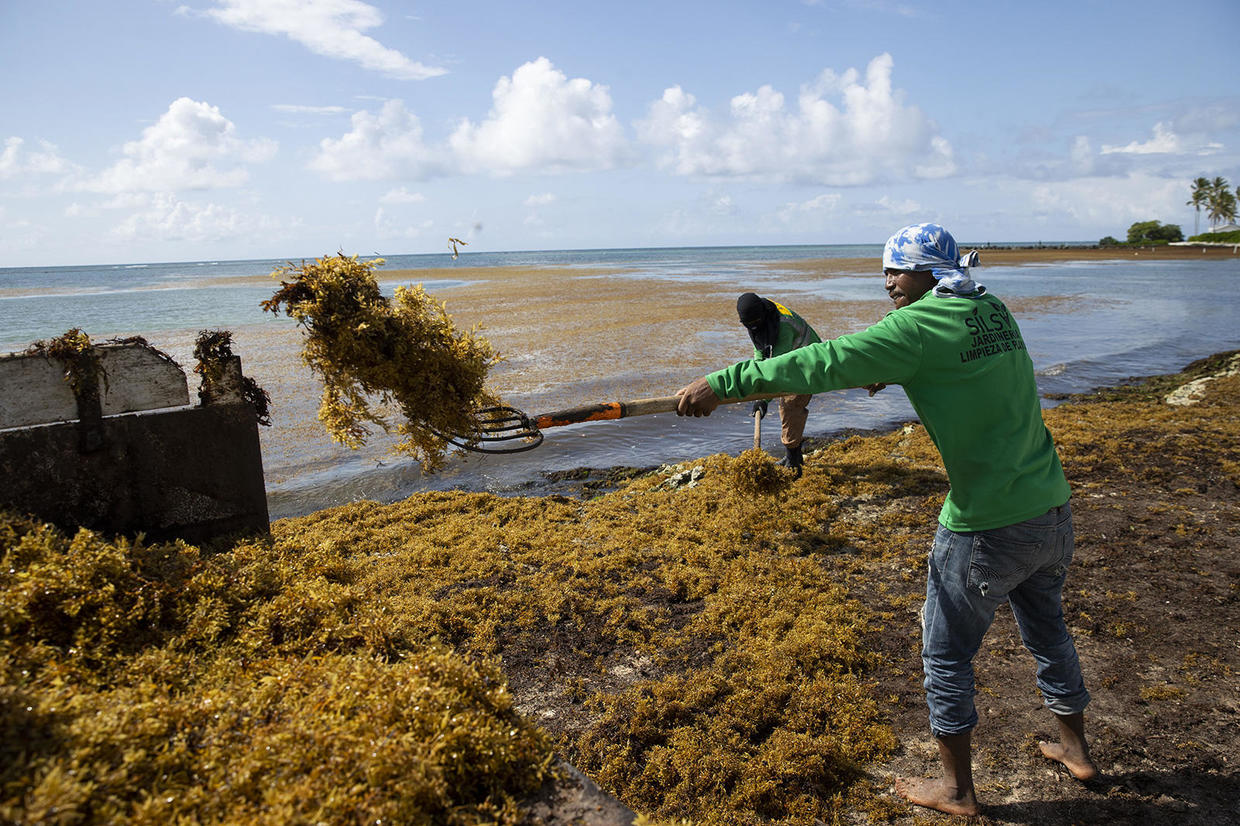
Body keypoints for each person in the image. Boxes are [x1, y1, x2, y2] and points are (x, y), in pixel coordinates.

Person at [676, 224, 1096, 816]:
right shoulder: (990, 308)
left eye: (897, 271)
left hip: (984, 524)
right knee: (1048, 630)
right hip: (1051, 508)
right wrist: (894, 367)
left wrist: (722, 384)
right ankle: (1077, 749)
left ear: (928, 271)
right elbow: (955, 366)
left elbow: (825, 360)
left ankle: (957, 790)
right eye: (885, 272)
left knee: (946, 655)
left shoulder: (915, 328)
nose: (888, 283)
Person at [735, 292, 820, 476]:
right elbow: (760, 353)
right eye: (749, 325)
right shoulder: (760, 316)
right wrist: (756, 384)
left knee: (790, 406)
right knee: (788, 406)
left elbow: (777, 371)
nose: (753, 328)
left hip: (810, 361)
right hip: (793, 359)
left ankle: (793, 462)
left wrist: (764, 400)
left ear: (761, 316)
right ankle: (794, 457)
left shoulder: (783, 326)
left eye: (755, 323)